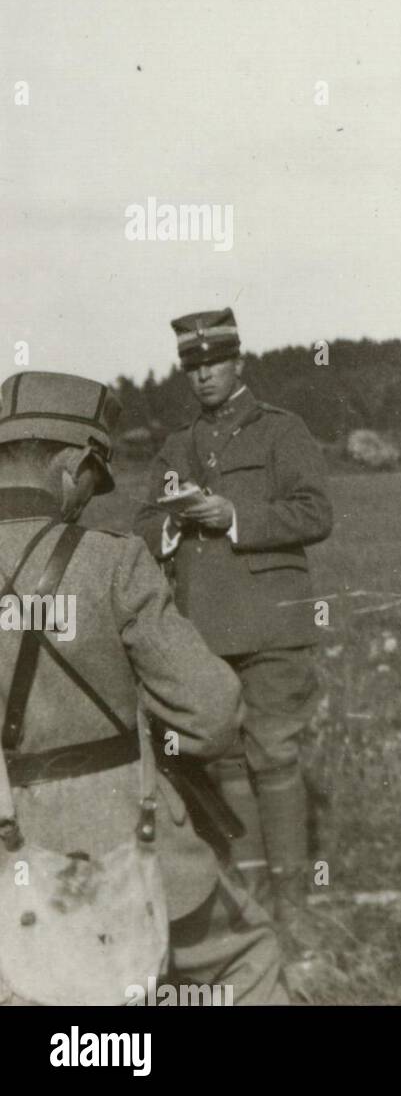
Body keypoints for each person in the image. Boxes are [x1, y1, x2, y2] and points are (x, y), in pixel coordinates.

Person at [0, 370, 285, 1003]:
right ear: (72, 466)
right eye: (93, 483)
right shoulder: (111, 562)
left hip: (8, 873)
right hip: (127, 846)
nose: (86, 501)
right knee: (247, 962)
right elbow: (212, 714)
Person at [133, 310, 333, 947]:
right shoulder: (177, 445)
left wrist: (234, 514)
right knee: (219, 766)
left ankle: (293, 909)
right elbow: (142, 522)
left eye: (212, 362)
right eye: (191, 367)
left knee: (274, 757)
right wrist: (169, 522)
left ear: (238, 362)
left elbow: (315, 511)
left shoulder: (281, 430)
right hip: (202, 633)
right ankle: (246, 908)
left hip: (272, 624)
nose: (202, 376)